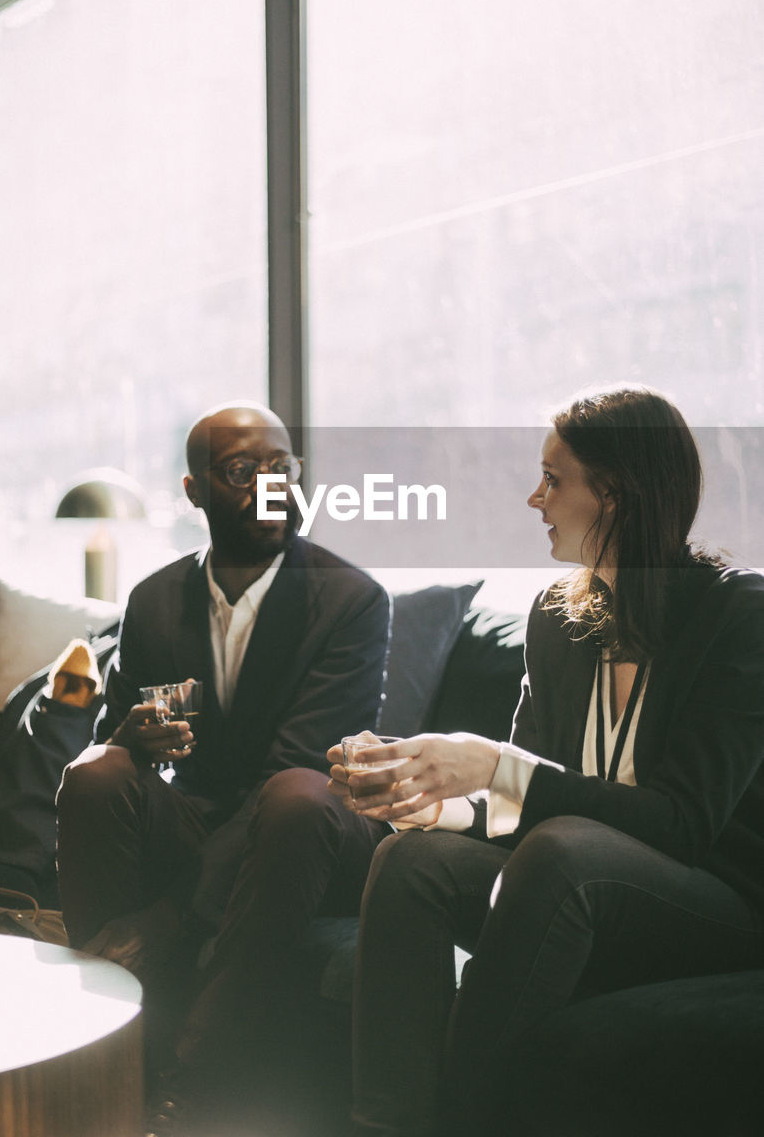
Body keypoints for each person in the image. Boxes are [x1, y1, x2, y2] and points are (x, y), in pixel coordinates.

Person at [327, 385, 764, 1137]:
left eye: (554, 479)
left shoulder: (738, 618)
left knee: (566, 852)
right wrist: (422, 793)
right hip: (571, 883)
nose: (534, 498)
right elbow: (520, 805)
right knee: (411, 859)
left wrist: (493, 763)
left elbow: (683, 823)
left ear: (617, 496)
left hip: (716, 904)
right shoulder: (558, 620)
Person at [56, 401, 390, 1130]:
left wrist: (169, 916)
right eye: (242, 471)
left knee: (298, 794)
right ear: (194, 491)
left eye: (282, 467)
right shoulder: (152, 601)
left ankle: (195, 1078)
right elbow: (132, 732)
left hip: (315, 834)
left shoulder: (351, 601)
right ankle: (99, 1049)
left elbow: (303, 763)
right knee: (95, 773)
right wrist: (134, 739)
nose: (270, 486)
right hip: (206, 815)